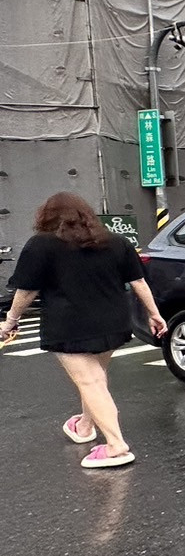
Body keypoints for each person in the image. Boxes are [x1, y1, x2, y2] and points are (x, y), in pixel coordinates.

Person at [0, 193, 167, 468]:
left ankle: (116, 445)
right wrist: (155, 314)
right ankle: (85, 426)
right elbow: (138, 282)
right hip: (113, 322)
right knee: (96, 379)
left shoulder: (41, 245)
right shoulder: (116, 242)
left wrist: (10, 322)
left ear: (46, 216)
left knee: (90, 382)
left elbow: (27, 290)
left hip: (70, 325)